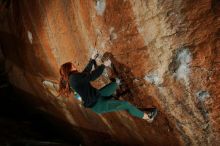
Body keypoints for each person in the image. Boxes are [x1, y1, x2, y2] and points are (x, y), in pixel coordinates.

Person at [58, 51, 157, 123]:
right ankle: (148, 117)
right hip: (98, 105)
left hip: (98, 96)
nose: (74, 65)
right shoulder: (74, 78)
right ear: (69, 68)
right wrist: (103, 66)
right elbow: (92, 76)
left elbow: (85, 73)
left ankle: (114, 96)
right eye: (72, 65)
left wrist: (92, 59)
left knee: (115, 84)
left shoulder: (73, 78)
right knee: (126, 104)